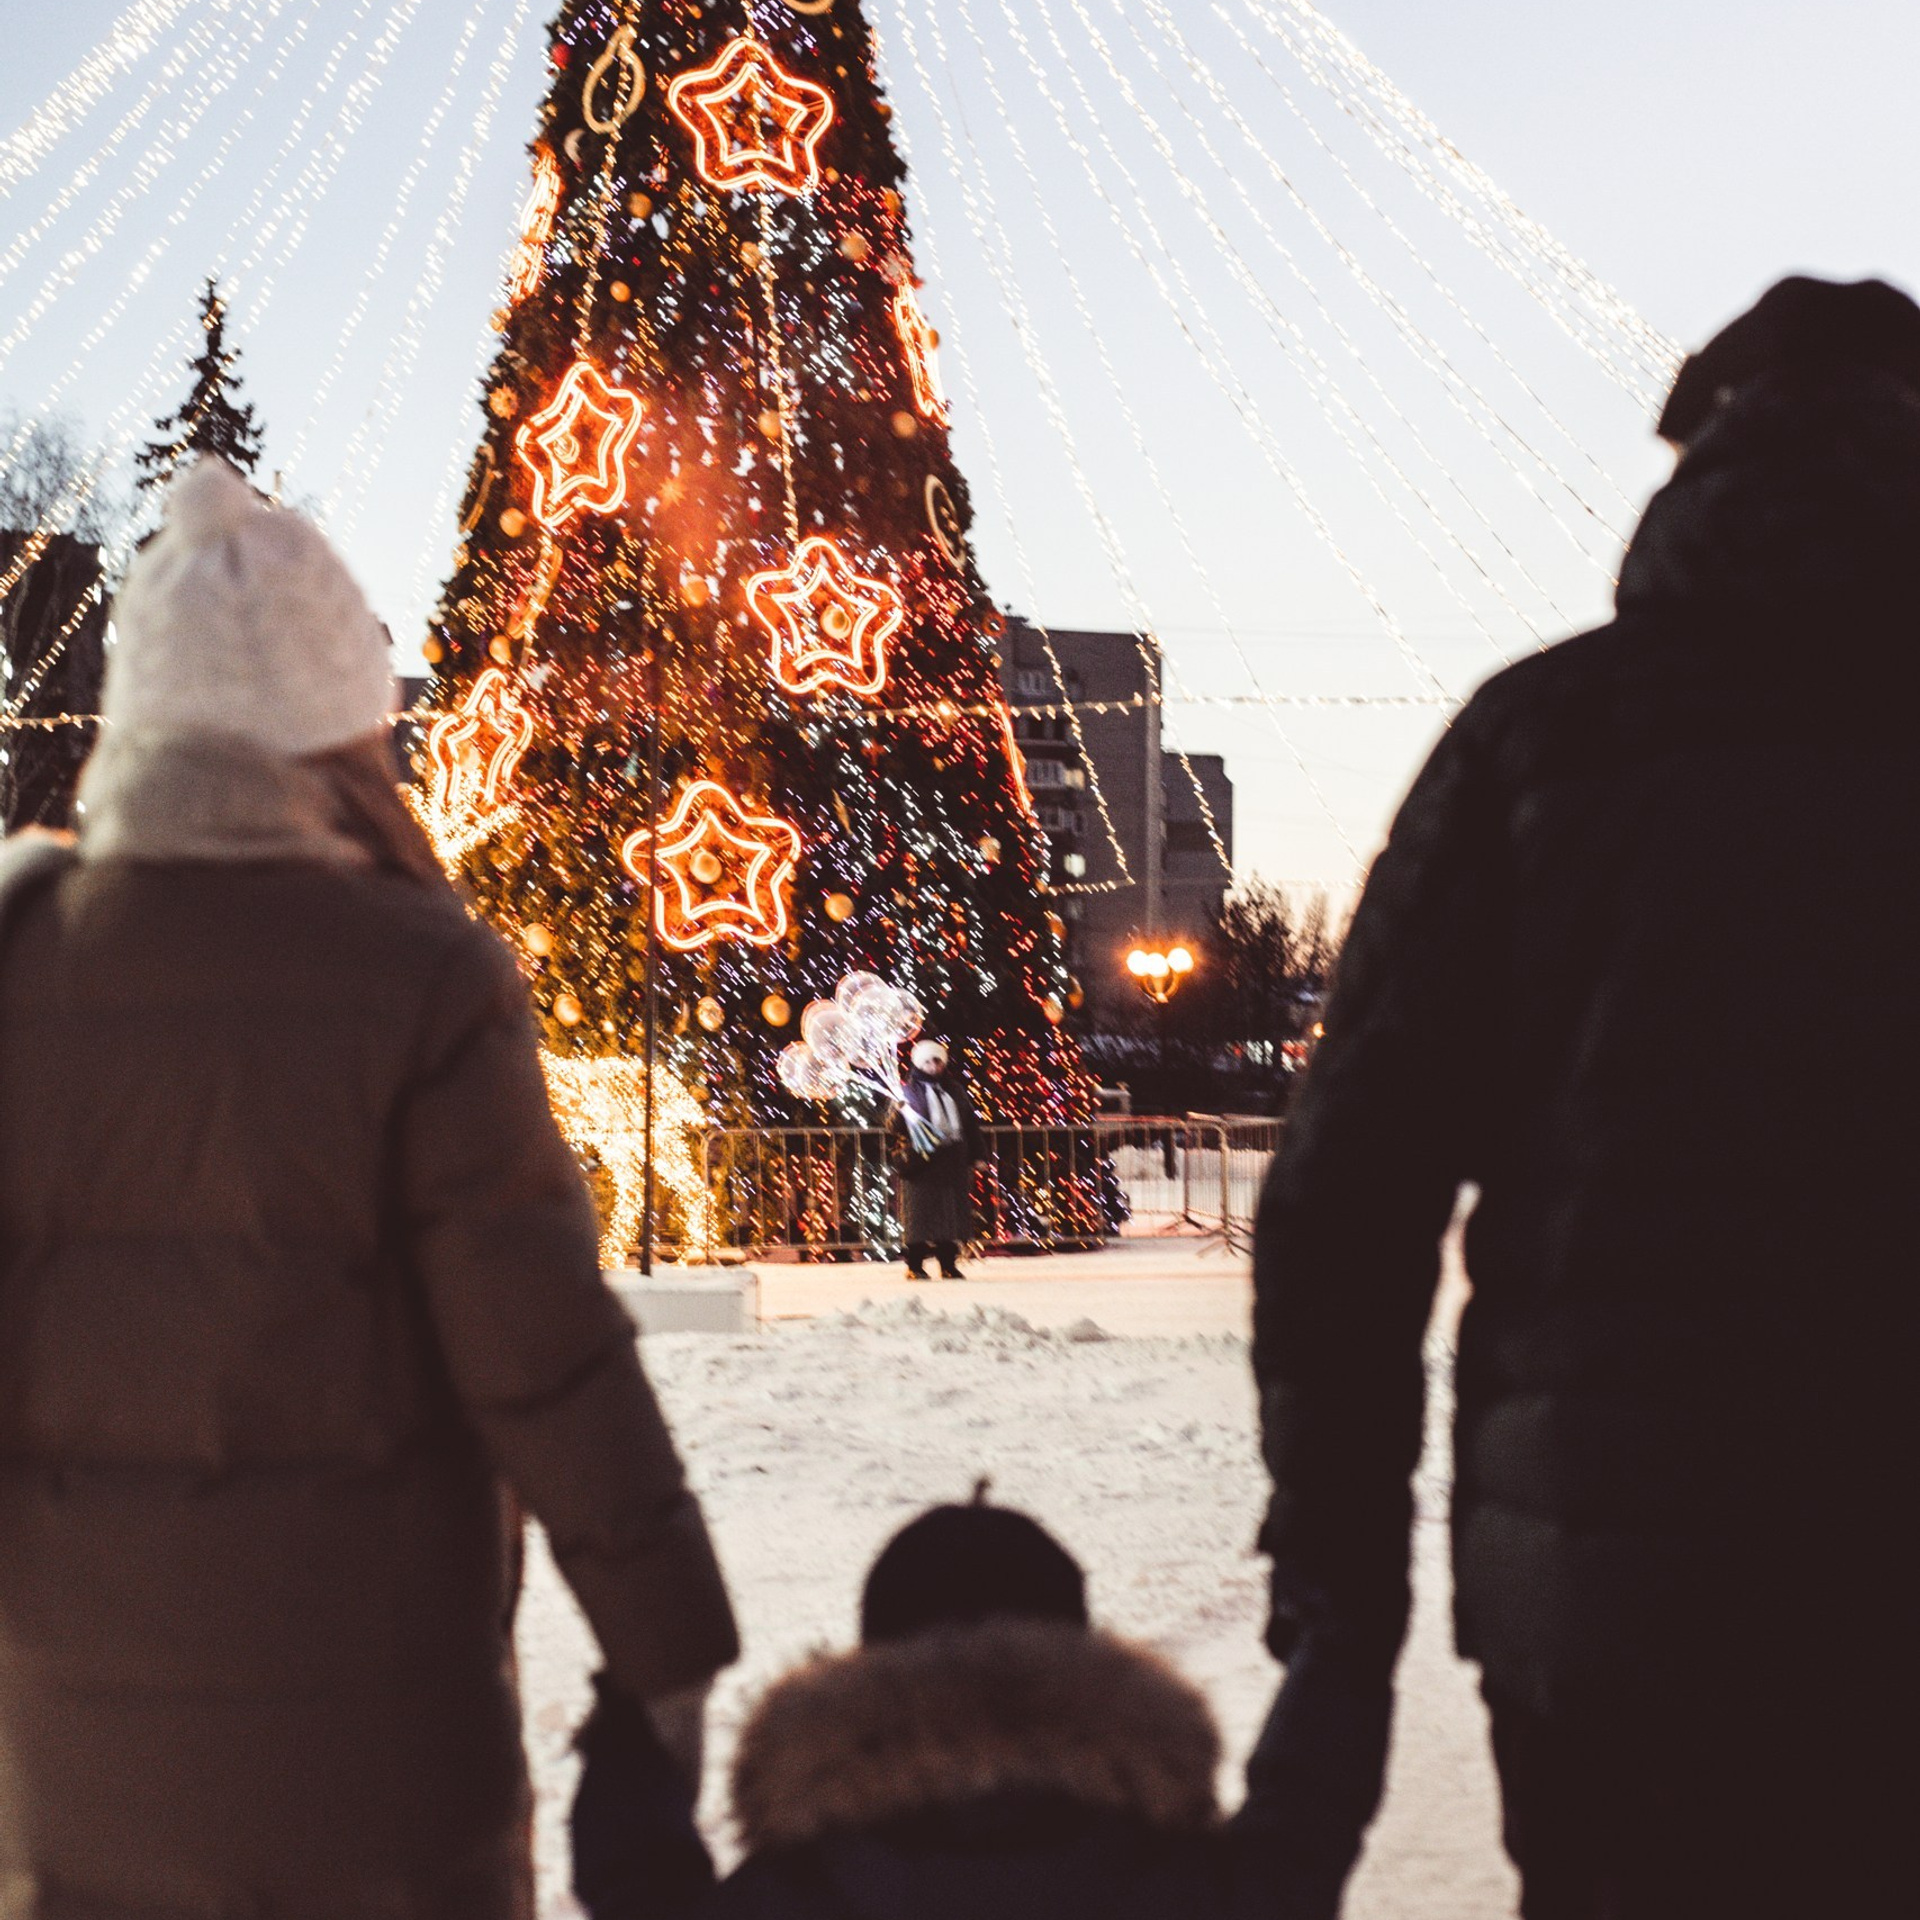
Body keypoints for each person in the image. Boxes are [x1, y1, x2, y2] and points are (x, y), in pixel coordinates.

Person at [1249, 275, 1920, 1919]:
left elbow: (1347, 1197)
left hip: (1616, 1605)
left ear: (1696, 461)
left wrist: (1344, 1600)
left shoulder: (1542, 746)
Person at [0, 458, 738, 1918]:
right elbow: (543, 1358)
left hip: (70, 1736)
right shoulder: (419, 974)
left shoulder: (24, 953)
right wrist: (669, 1642)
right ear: (346, 726)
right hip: (376, 1747)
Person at [571, 1490, 1388, 1920]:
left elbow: (640, 1886)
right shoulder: (1180, 1890)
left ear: (868, 1679)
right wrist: (1336, 1641)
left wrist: (633, 1727)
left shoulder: (800, 1893)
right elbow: (1306, 1817)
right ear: (1082, 1667)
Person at [891, 1038, 986, 1279]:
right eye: (928, 1061)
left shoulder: (954, 1090)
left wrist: (977, 1155)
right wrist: (898, 1112)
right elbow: (894, 1126)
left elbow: (969, 1125)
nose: (933, 1066)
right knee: (920, 1217)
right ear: (918, 1063)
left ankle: (948, 1263)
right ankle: (914, 1265)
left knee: (950, 1215)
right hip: (923, 1159)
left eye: (937, 1061)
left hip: (952, 1159)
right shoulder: (908, 1091)